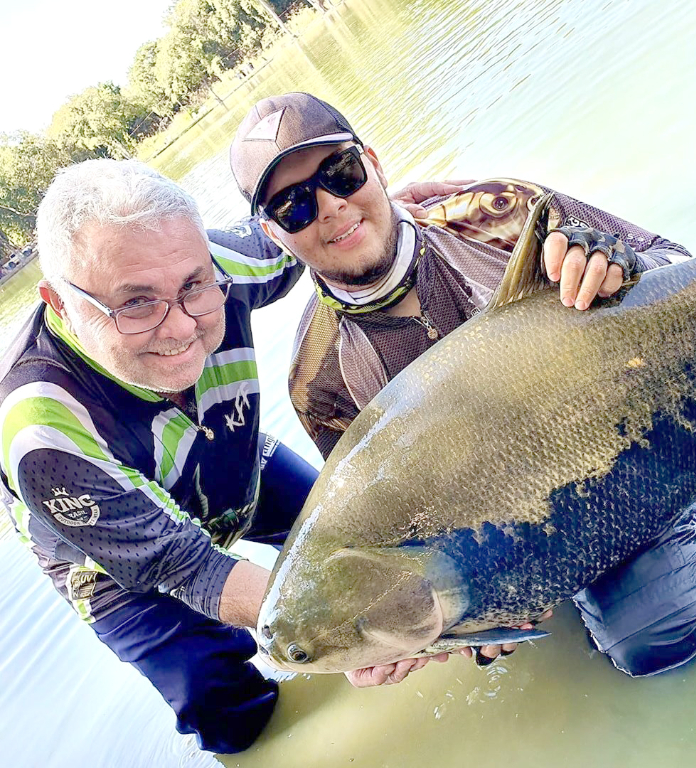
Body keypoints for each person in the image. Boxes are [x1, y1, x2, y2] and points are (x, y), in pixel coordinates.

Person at [228, 92, 696, 678]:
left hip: (644, 438)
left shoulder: (502, 213)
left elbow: (690, 266)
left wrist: (626, 266)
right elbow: (389, 540)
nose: (332, 207)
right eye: (294, 207)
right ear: (272, 232)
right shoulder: (321, 383)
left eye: (340, 173)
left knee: (654, 639)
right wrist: (450, 629)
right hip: (514, 541)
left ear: (372, 161)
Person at [0, 159, 462, 754]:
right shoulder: (42, 435)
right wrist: (337, 634)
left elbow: (311, 233)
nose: (181, 329)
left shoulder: (229, 265)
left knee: (384, 548)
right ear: (59, 304)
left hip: (233, 465)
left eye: (194, 286)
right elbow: (186, 566)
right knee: (222, 704)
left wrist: (383, 215)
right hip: (115, 556)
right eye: (137, 304)